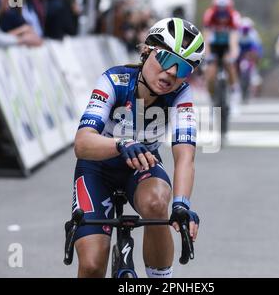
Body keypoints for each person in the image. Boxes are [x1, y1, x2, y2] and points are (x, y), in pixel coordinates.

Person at [71, 17, 204, 278]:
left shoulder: (181, 94)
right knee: (91, 266)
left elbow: (185, 156)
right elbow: (83, 143)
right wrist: (121, 144)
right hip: (97, 166)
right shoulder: (114, 80)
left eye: (183, 68)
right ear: (146, 51)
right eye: (166, 59)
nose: (172, 73)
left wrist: (181, 205)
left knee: (157, 204)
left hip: (143, 166)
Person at [202, 0, 240, 99]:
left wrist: (233, 56)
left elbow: (234, 40)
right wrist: (207, 55)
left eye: (225, 15)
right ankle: (211, 97)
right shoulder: (209, 15)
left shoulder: (234, 16)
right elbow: (206, 37)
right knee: (210, 72)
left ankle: (234, 91)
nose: (222, 19)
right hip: (214, 46)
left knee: (229, 64)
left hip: (227, 46)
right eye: (219, 14)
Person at [236, 16, 263, 100]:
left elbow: (258, 47)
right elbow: (234, 46)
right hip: (240, 50)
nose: (245, 31)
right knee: (235, 63)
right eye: (243, 29)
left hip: (249, 50)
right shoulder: (237, 33)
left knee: (254, 62)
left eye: (247, 29)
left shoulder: (254, 34)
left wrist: (257, 56)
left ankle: (253, 75)